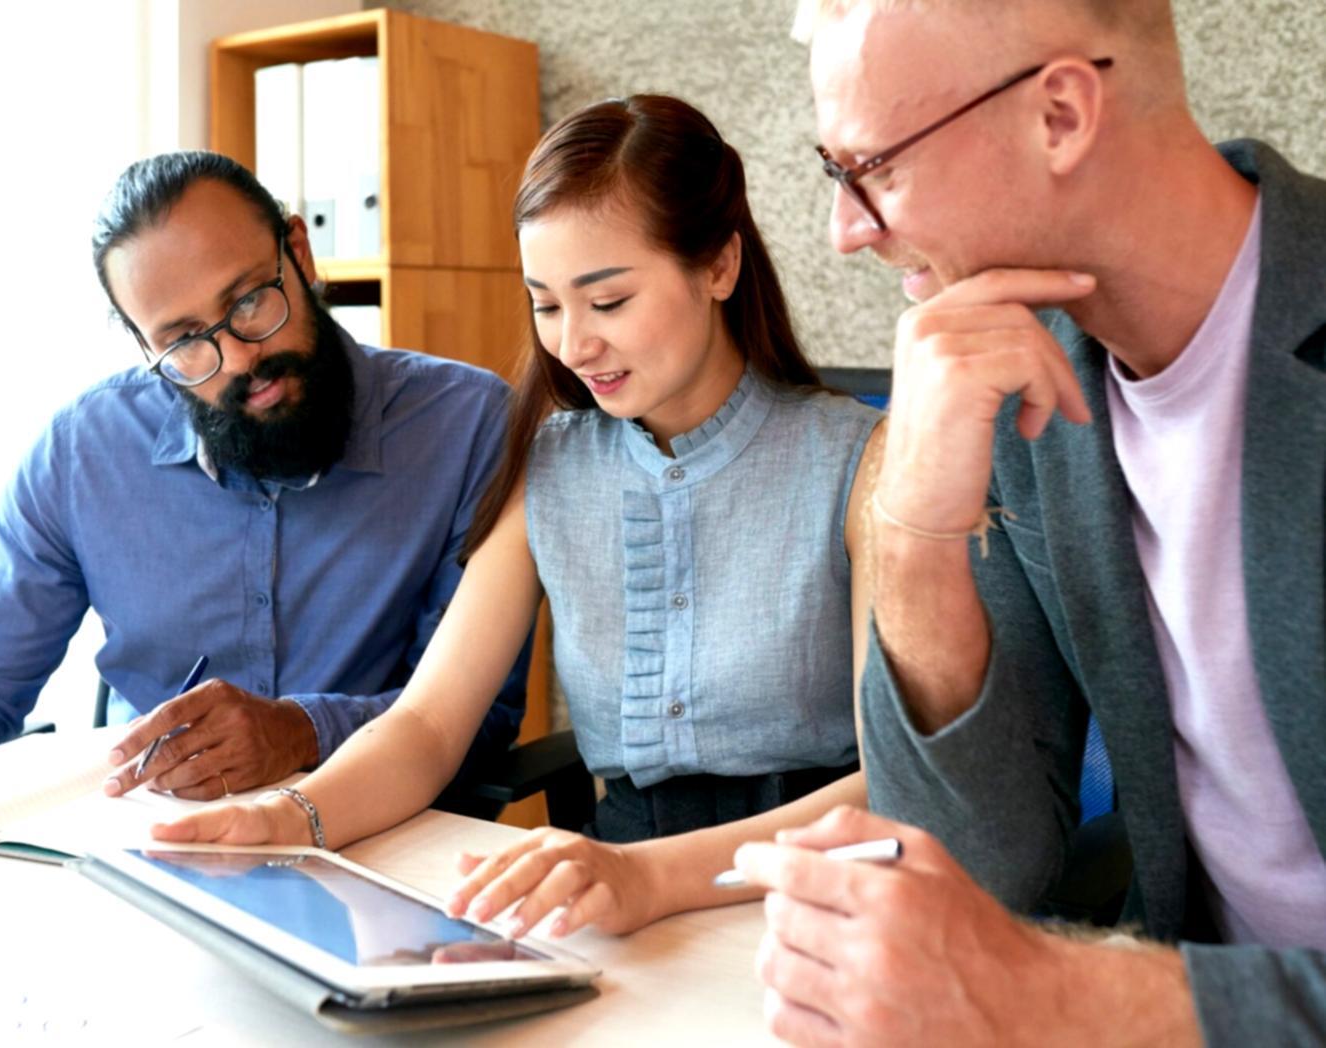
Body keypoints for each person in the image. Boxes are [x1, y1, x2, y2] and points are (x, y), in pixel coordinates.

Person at [154, 94, 884, 941]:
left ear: (719, 266)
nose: (572, 345)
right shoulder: (555, 461)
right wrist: (288, 818)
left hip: (815, 893)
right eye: (545, 304)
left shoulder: (860, 458)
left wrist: (645, 877)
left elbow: (898, 782)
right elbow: (428, 724)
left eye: (606, 302)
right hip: (622, 906)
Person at [739, 1, 1326, 1043]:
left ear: (1058, 113)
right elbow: (984, 861)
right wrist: (915, 531)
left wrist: (1063, 993)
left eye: (867, 164)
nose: (844, 231)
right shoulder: (1014, 385)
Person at [0, 152, 527, 802]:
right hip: (155, 845)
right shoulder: (84, 451)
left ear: (300, 252)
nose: (235, 360)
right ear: (144, 345)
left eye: (251, 300)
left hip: (381, 831)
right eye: (185, 340)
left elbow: (477, 714)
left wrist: (296, 733)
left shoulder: (467, 426)